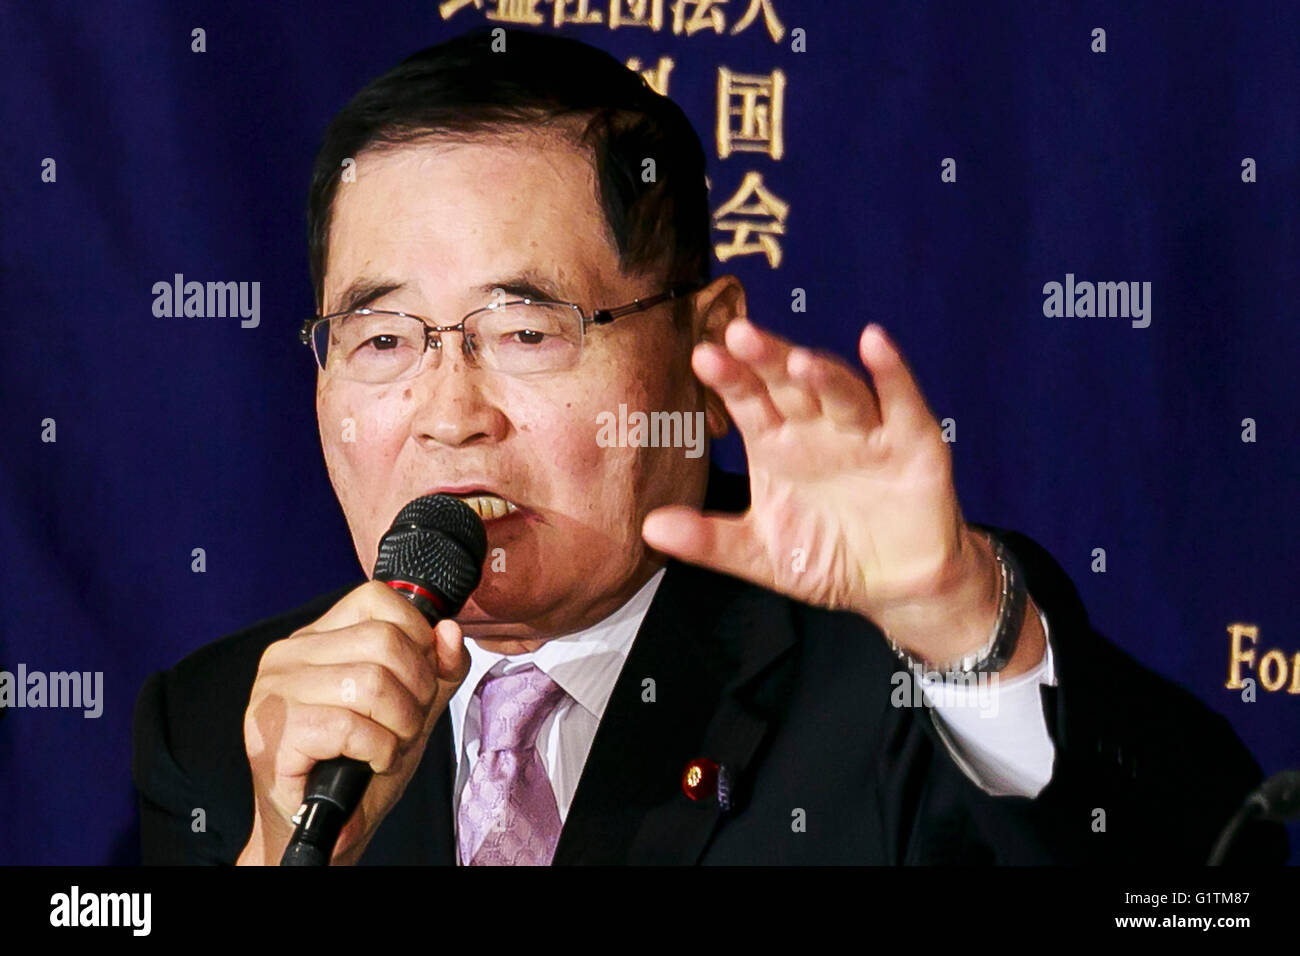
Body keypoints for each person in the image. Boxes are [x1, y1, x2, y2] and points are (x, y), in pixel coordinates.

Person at [132, 27, 1286, 865]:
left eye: (525, 329)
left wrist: (959, 633)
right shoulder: (227, 724)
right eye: (383, 337)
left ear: (704, 342)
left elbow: (1206, 874)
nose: (448, 410)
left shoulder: (906, 674)